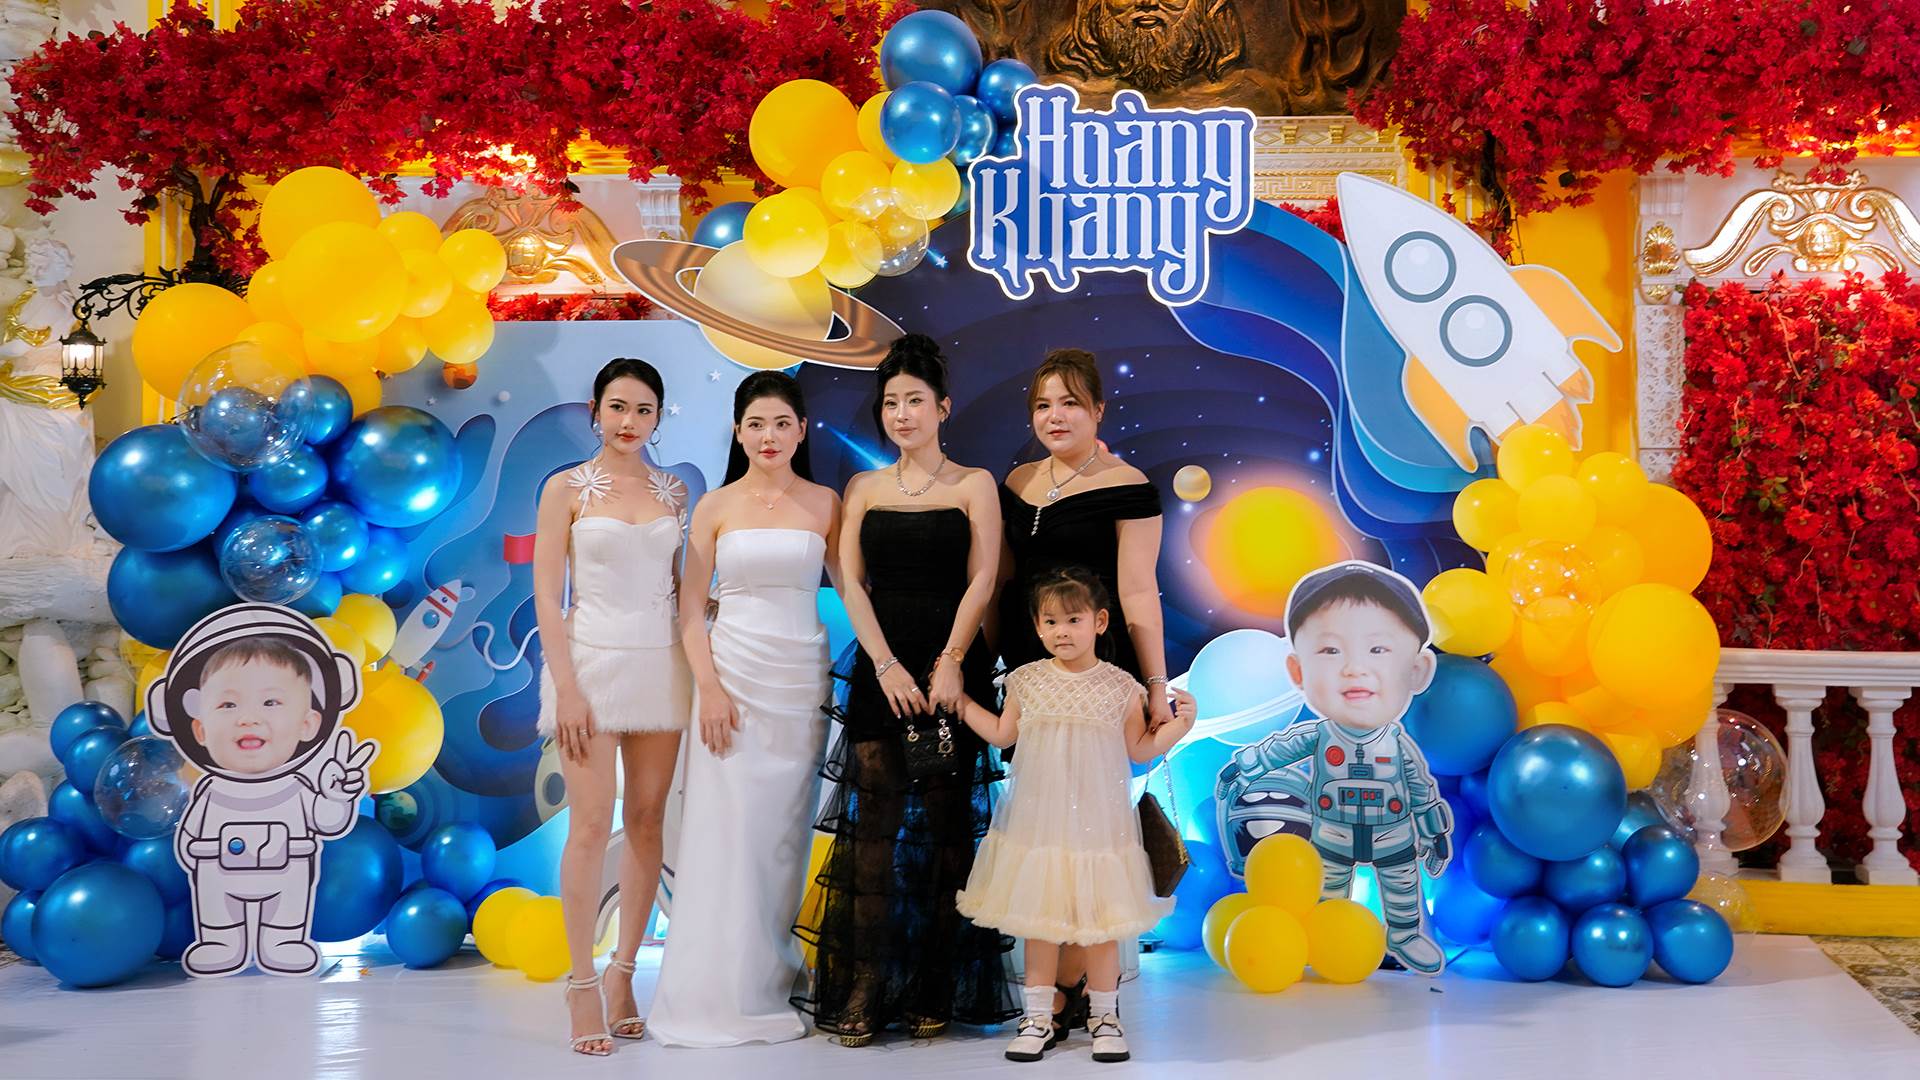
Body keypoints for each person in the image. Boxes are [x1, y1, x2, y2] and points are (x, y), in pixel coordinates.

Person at [795, 335, 1018, 1046]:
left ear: (942, 408)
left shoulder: (974, 484)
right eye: (891, 402)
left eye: (915, 400)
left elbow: (984, 578)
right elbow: (850, 584)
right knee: (872, 835)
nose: (901, 414)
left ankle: (933, 981)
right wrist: (886, 664)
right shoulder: (863, 489)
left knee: (948, 834)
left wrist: (951, 661)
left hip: (951, 670)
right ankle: (865, 984)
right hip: (881, 673)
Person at [649, 370, 841, 1048]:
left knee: (783, 840)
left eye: (782, 424)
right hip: (731, 679)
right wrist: (709, 688)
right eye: (756, 424)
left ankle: (772, 980)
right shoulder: (714, 506)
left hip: (800, 681)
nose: (769, 436)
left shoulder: (826, 502)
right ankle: (713, 991)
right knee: (725, 833)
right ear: (738, 431)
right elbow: (689, 610)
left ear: (802, 431)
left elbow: (855, 590)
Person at [994, 346, 1178, 1033]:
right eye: (1043, 405)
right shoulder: (1017, 483)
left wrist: (1155, 685)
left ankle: (1075, 987)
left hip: (1101, 676)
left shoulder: (1129, 484)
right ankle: (1058, 986)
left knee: (1090, 827)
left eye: (1070, 402)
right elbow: (1005, 581)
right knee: (1042, 823)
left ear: (1098, 409)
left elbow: (1138, 591)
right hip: (1033, 671)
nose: (1055, 416)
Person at [954, 568, 1195, 1064]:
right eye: (1050, 622)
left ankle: (1104, 1016)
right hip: (1037, 826)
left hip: (1098, 828)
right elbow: (1002, 735)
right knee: (1039, 923)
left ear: (1099, 622)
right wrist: (960, 703)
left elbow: (1138, 748)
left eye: (1073, 620)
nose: (1061, 631)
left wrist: (1181, 727)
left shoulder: (1121, 687)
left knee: (1100, 925)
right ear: (1037, 627)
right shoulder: (1025, 680)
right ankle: (1037, 1017)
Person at [532, 358, 692, 1055]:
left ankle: (624, 974)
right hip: (589, 667)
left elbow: (681, 589)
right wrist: (567, 686)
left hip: (661, 665)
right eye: (619, 407)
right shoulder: (564, 488)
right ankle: (581, 984)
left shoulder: (675, 490)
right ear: (595, 411)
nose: (630, 422)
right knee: (592, 824)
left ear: (659, 418)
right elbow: (547, 595)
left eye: (644, 410)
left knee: (649, 820)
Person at [1212, 560, 1454, 974]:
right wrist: (1243, 767)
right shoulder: (1318, 737)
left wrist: (1434, 836)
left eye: (1377, 649)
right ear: (1298, 671)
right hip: (1332, 833)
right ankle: (1325, 937)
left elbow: (1422, 792)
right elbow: (1277, 750)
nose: (1354, 668)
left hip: (1393, 834)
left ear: (1417, 670)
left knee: (1402, 885)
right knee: (1326, 890)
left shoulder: (1399, 748)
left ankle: (1405, 934)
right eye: (1330, 650)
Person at [144, 604, 371, 979]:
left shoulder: (297, 788)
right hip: (220, 874)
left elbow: (327, 822)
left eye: (271, 702)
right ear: (200, 730)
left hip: (287, 873)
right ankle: (221, 941)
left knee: (289, 904)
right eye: (228, 704)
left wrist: (336, 796)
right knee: (216, 904)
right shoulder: (209, 792)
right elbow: (189, 840)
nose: (248, 718)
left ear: (308, 724)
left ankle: (283, 940)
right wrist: (197, 848)